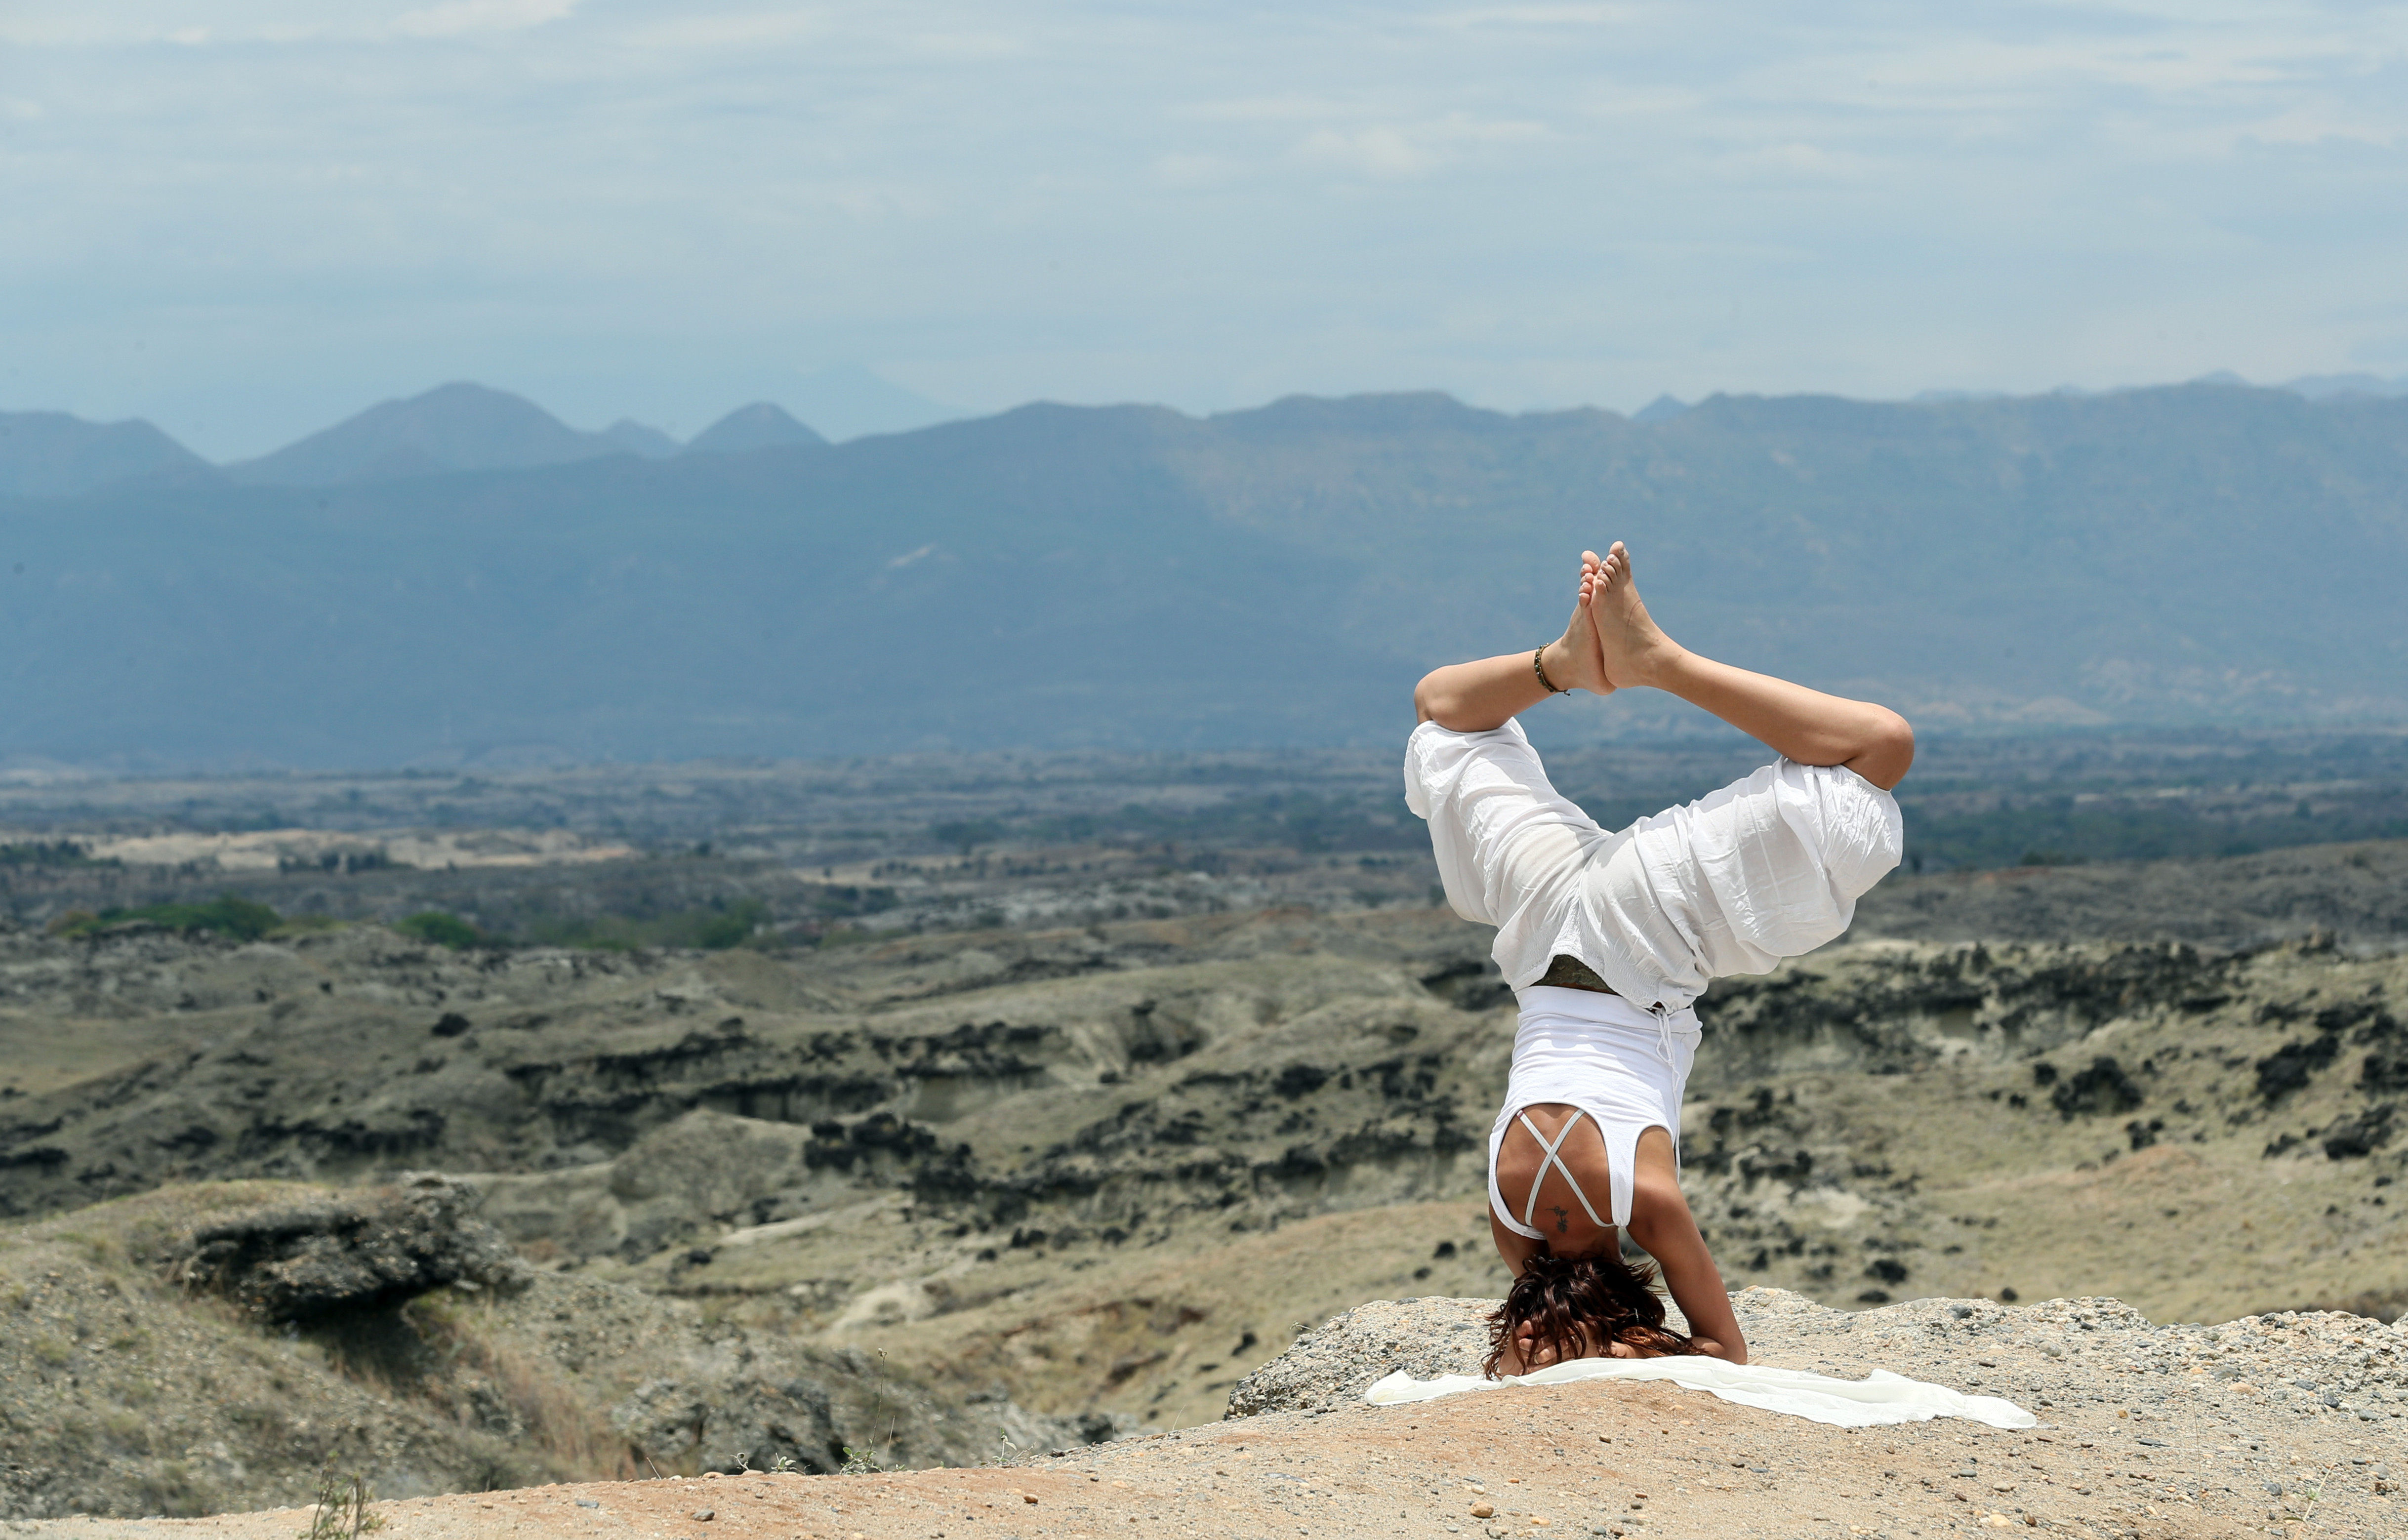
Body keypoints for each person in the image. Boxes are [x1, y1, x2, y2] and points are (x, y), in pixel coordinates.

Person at [1405, 542, 1915, 1374]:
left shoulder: (1645, 1202)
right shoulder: (1511, 1217)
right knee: (1443, 712)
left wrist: (1642, 1351)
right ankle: (1565, 663)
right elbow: (1540, 1330)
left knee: (1878, 750)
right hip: (1538, 932)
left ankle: (1659, 662)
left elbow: (1722, 1351)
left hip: (1641, 935)